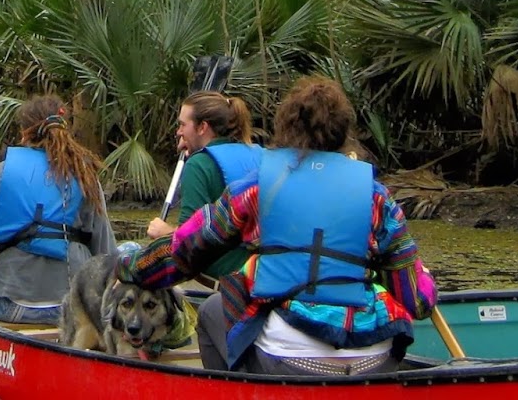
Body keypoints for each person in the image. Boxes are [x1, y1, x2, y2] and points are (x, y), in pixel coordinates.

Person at [118, 76, 436, 376]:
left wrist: (128, 267)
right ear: (342, 134)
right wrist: (426, 281)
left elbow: (183, 251)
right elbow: (417, 301)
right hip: (373, 360)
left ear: (284, 129)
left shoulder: (259, 187)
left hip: (289, 359)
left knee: (214, 308)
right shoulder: (377, 197)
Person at [0, 94, 116, 324]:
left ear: (25, 133)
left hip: (15, 305)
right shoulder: (86, 177)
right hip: (74, 312)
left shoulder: (1, 174)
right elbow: (106, 255)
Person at [145, 91, 260, 278]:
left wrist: (165, 233)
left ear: (202, 127)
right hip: (264, 273)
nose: (178, 132)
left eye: (182, 125)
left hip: (226, 281)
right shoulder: (260, 154)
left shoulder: (198, 164)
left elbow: (189, 245)